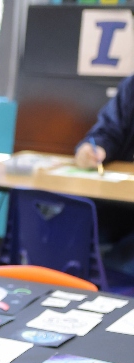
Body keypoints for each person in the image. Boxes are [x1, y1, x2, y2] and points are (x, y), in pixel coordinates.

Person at [75, 73, 134, 279]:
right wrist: (94, 148)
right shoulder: (131, 86)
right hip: (117, 205)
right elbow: (108, 130)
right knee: (68, 228)